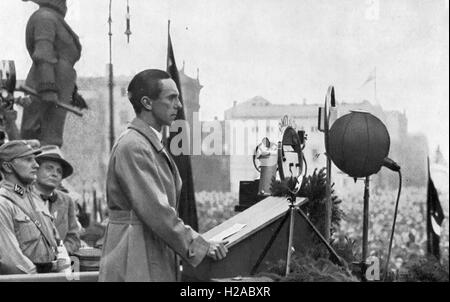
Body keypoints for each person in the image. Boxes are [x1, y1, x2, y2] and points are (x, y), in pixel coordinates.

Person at [99, 69, 228, 282]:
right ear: (147, 103)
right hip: (134, 252)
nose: (178, 105)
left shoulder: (147, 143)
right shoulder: (134, 145)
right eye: (171, 98)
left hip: (146, 246)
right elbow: (157, 210)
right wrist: (198, 245)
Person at [0, 140, 69, 274]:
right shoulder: (3, 203)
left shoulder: (33, 199)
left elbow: (58, 244)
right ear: (8, 167)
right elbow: (12, 261)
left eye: (35, 160)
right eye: (28, 160)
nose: (36, 165)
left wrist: (64, 273)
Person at [21, 0, 83, 147]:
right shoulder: (45, 17)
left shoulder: (52, 18)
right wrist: (48, 88)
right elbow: (43, 53)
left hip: (57, 88)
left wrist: (71, 92)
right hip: (45, 90)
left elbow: (61, 59)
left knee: (51, 138)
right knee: (42, 140)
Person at [33, 145, 81, 254]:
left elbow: (74, 238)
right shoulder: (23, 197)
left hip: (59, 265)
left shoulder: (67, 201)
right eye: (49, 168)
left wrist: (61, 253)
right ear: (36, 170)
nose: (55, 174)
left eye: (59, 171)